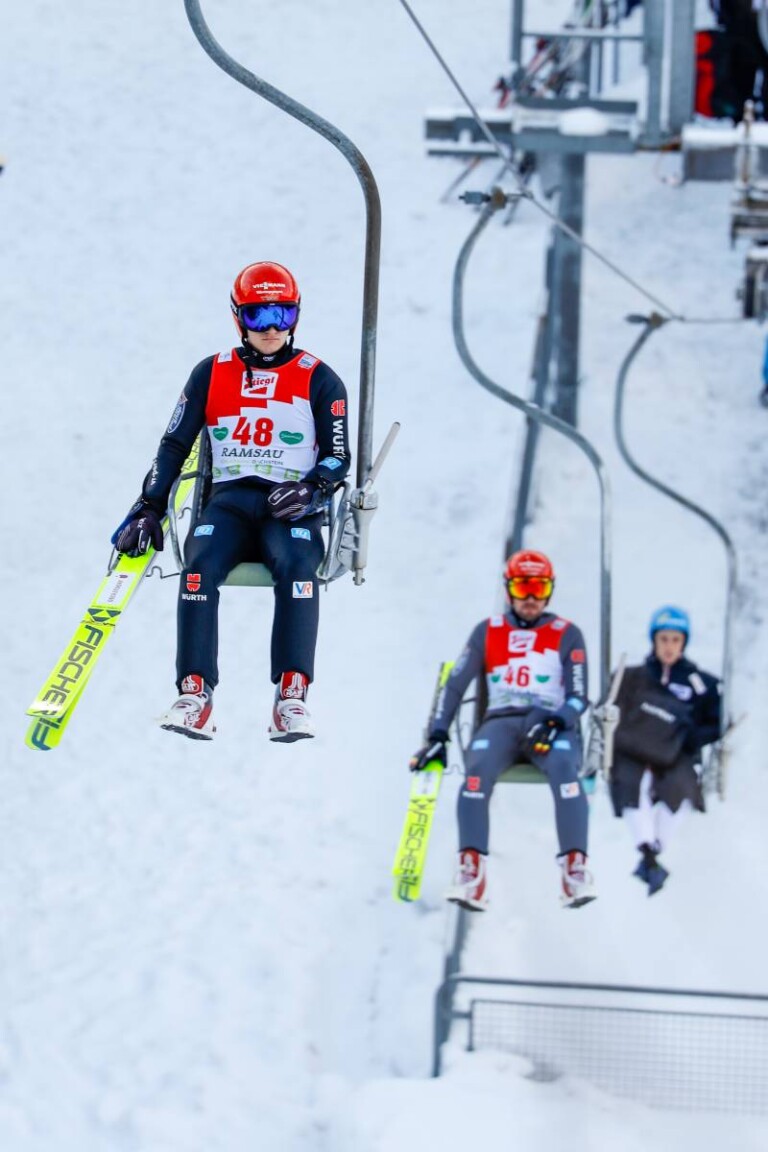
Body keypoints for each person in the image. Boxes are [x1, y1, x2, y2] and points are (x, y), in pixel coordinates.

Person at [111, 261, 351, 742]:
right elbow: (175, 444)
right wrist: (148, 507)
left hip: (289, 506)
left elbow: (339, 457)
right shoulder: (212, 372)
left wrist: (312, 488)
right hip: (231, 499)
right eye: (259, 316)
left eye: (281, 315)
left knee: (300, 565)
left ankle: (292, 694)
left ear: (296, 317)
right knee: (199, 562)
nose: (271, 329)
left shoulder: (319, 379)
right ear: (239, 317)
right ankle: (195, 693)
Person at [409, 550, 596, 912]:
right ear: (509, 589)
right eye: (523, 587)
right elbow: (455, 684)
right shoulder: (489, 631)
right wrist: (437, 733)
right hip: (501, 722)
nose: (530, 598)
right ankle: (471, 873)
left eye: (538, 588)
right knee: (476, 773)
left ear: (549, 591)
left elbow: (579, 696)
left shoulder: (567, 634)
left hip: (549, 723)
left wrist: (557, 721)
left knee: (565, 771)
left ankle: (574, 869)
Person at [609, 607, 722, 895]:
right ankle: (646, 849)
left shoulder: (700, 683)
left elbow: (715, 722)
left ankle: (655, 849)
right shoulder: (633, 677)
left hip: (676, 754)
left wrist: (688, 739)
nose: (669, 646)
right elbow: (610, 711)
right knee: (633, 784)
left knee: (680, 790)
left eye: (675, 640)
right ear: (654, 640)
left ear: (683, 642)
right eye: (663, 639)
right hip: (635, 752)